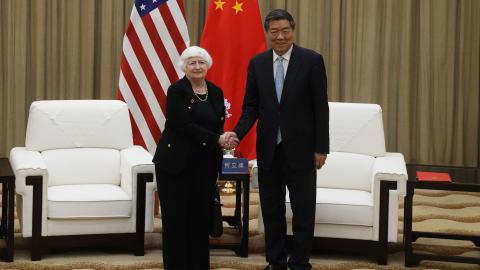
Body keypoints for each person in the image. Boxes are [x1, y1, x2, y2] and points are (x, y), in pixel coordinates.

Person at [224, 9, 329, 270]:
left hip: (303, 151)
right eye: (274, 32)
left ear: (293, 31)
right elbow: (251, 107)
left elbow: (321, 108)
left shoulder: (311, 60)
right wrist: (237, 133)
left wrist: (321, 148)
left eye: (285, 31)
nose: (280, 36)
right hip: (269, 150)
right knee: (271, 210)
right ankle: (276, 261)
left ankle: (301, 262)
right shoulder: (257, 63)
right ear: (267, 33)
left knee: (303, 210)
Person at [152, 46, 233, 270]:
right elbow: (183, 125)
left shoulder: (216, 92)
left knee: (200, 220)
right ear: (184, 67)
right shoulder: (177, 90)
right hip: (175, 165)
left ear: (208, 66)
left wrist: (223, 140)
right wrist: (218, 139)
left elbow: (218, 124)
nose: (197, 67)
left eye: (201, 62)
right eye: (192, 63)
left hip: (205, 165)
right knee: (175, 221)